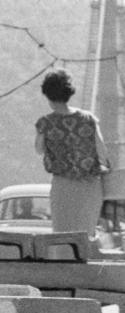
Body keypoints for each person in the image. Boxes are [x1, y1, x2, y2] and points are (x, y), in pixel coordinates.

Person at [34, 69, 111, 235]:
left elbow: (39, 150)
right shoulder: (89, 119)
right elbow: (102, 150)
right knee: (86, 234)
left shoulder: (45, 123)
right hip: (90, 186)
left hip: (63, 186)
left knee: (63, 236)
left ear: (47, 94)